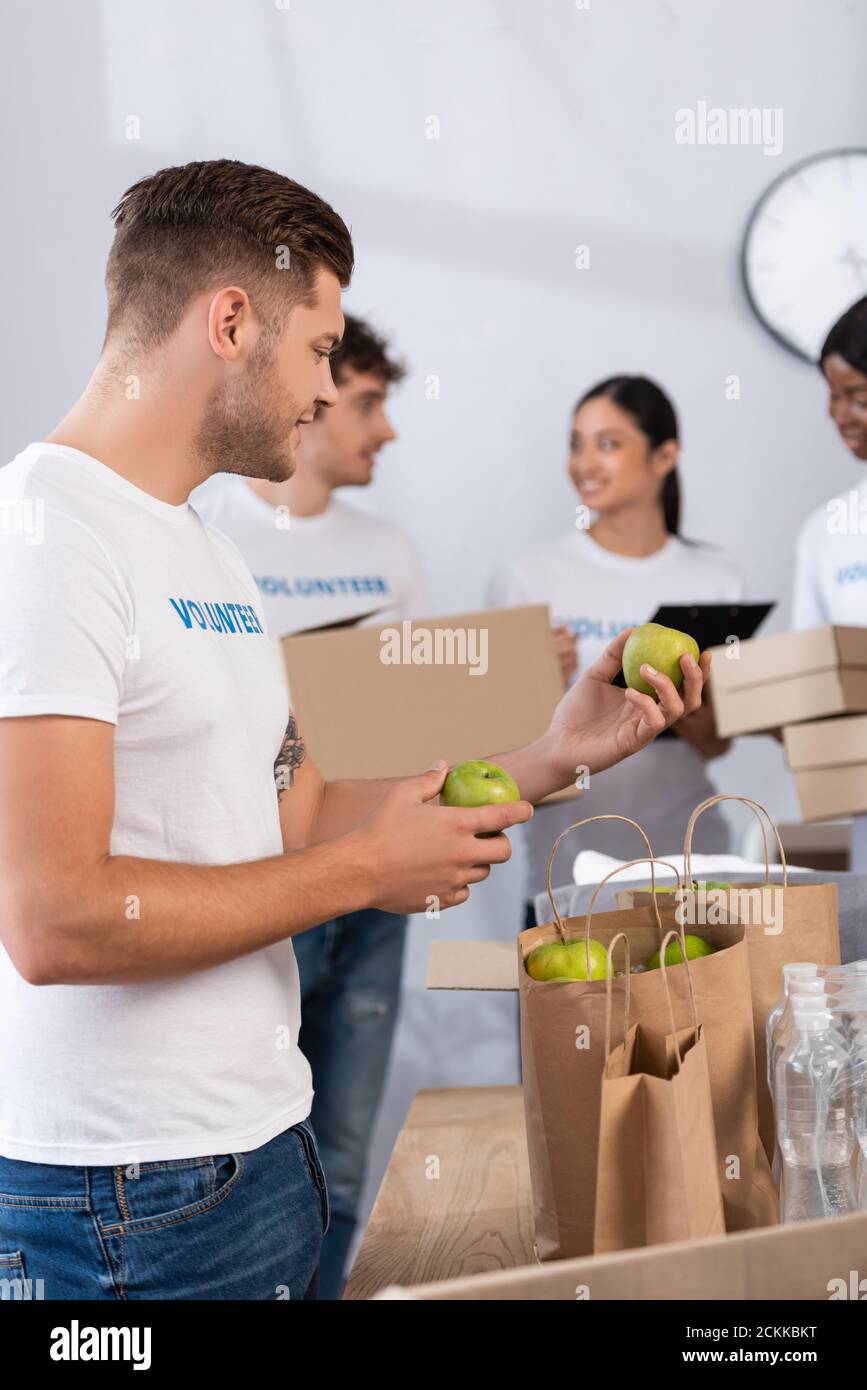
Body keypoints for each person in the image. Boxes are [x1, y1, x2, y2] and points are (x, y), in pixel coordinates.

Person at [0, 162, 707, 1301]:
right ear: (231, 320)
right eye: (322, 350)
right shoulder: (48, 533)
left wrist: (555, 754)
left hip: (258, 1153)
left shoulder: (203, 547)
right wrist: (361, 873)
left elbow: (297, 809)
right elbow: (54, 916)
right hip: (122, 1203)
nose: (330, 391)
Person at [191, 313, 424, 1298]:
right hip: (262, 879)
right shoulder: (209, 535)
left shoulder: (394, 554)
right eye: (367, 401)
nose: (381, 427)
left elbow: (407, 722)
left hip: (371, 885)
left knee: (343, 1144)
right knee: (257, 1147)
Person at [488, 375, 741, 929]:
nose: (583, 462)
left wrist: (694, 705)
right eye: (576, 443)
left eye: (608, 443)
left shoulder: (715, 580)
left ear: (664, 455)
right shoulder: (530, 577)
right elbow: (496, 750)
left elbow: (717, 744)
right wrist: (534, 683)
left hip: (688, 857)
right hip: (566, 868)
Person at [791, 296, 867, 869]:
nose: (838, 413)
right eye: (832, 395)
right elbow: (808, 684)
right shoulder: (828, 532)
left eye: (856, 396)